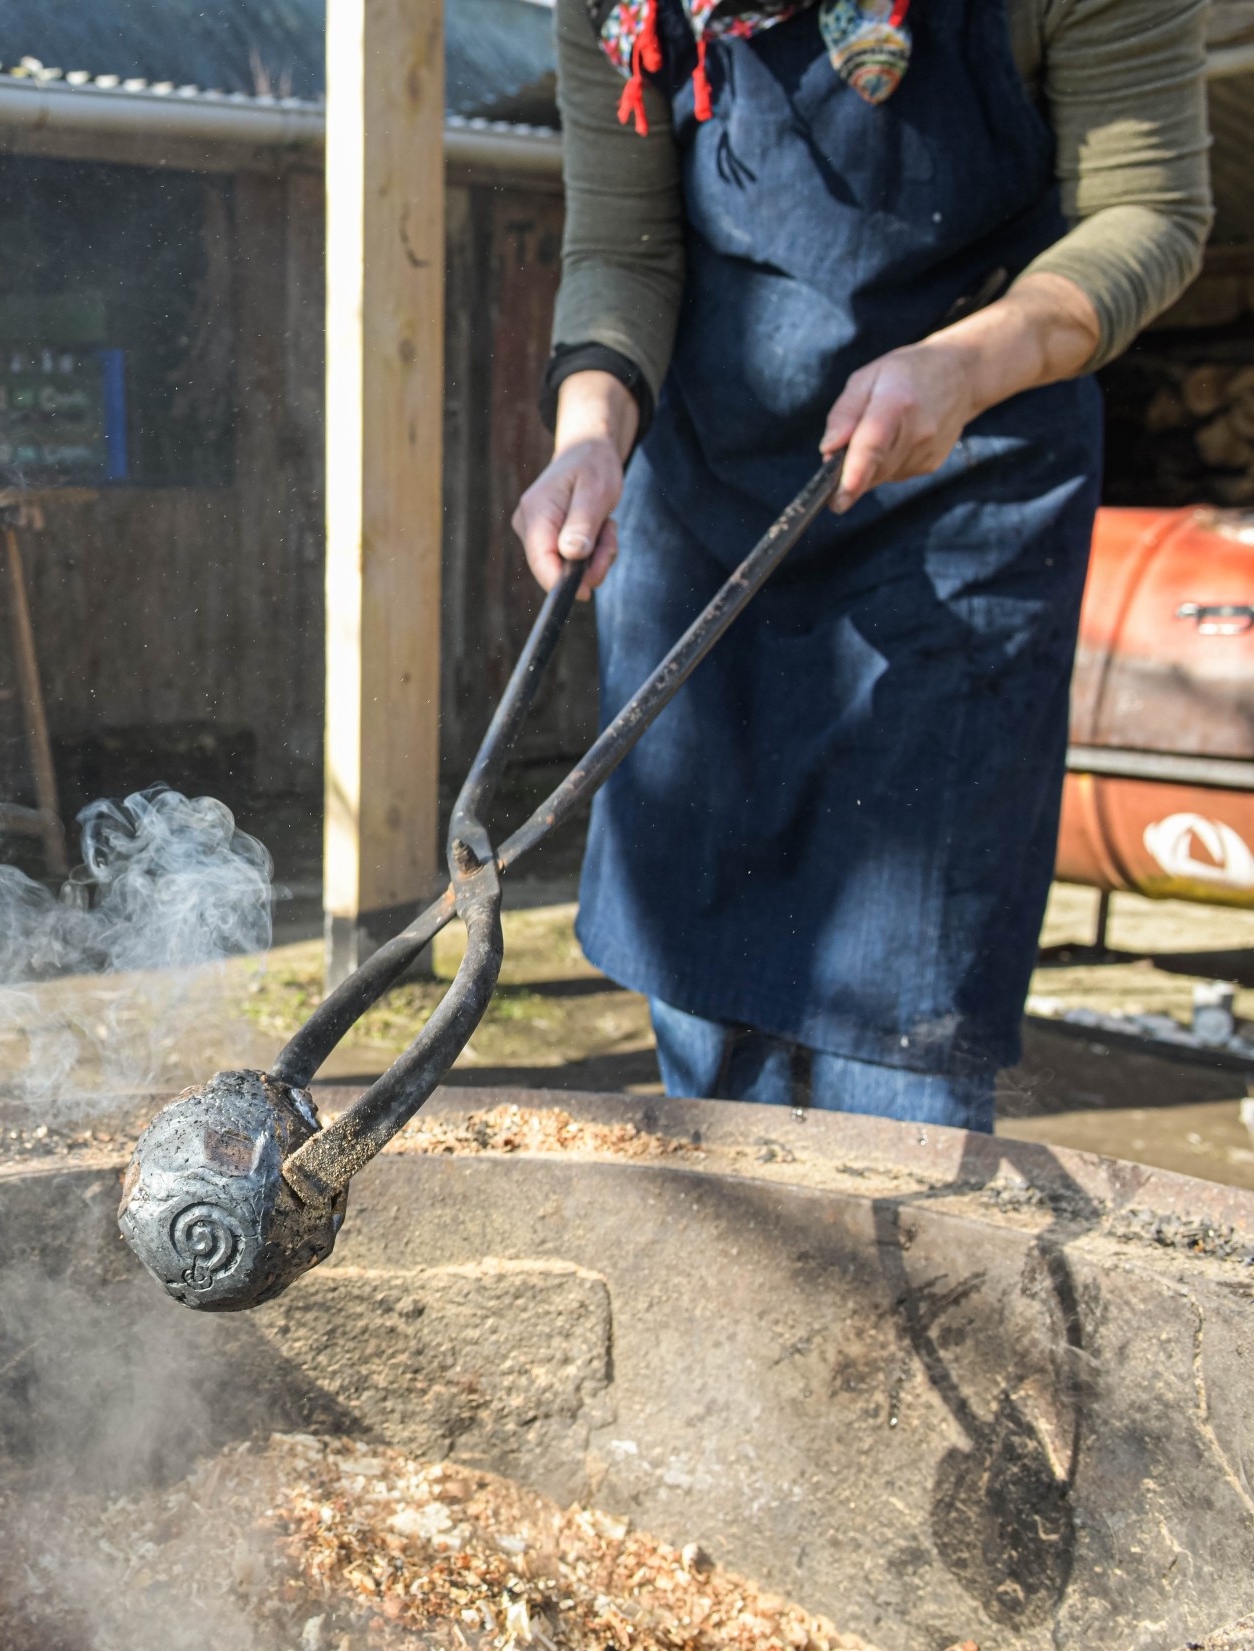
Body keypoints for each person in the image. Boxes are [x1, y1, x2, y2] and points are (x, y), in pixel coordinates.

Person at [511, 0, 1210, 1129]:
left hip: (964, 487)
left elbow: (1146, 210)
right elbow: (623, 244)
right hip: (703, 508)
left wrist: (967, 363)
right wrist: (588, 435)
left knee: (901, 1014)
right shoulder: (622, 7)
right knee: (702, 985)